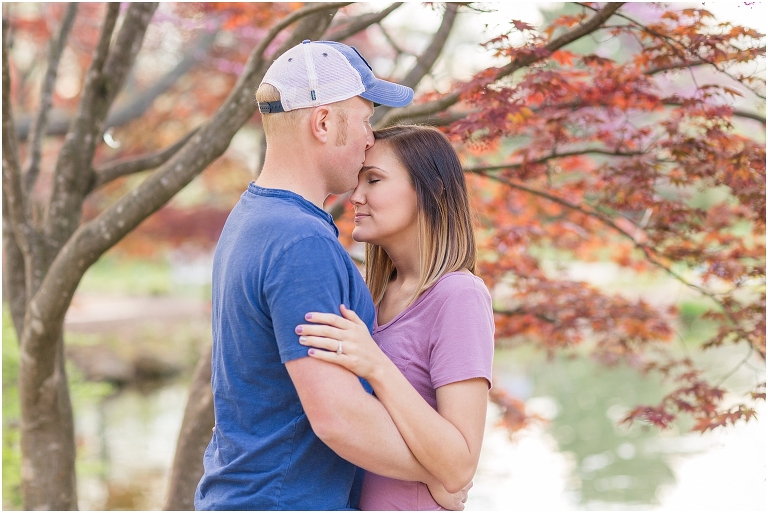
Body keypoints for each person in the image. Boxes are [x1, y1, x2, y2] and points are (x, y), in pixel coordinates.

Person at [194, 40, 467, 511]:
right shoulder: (301, 242)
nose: (369, 139)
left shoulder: (252, 218)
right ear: (323, 123)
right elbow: (339, 418)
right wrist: (438, 473)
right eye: (363, 120)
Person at [296, 125, 495, 510]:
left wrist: (376, 365)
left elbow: (460, 464)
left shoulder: (459, 296)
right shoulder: (367, 296)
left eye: (374, 180)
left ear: (432, 189)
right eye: (358, 181)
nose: (355, 196)